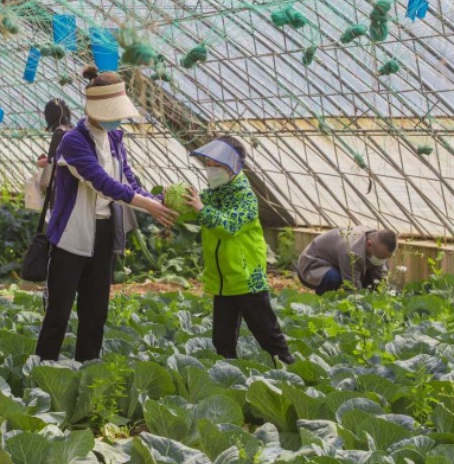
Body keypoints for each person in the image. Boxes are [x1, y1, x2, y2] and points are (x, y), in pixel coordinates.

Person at [34, 68, 177, 362]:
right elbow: (102, 182)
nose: (118, 119)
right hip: (71, 237)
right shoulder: (73, 141)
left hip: (103, 234)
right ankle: (42, 369)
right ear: (94, 110)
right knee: (58, 312)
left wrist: (158, 202)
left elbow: (128, 181)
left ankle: (88, 370)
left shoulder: (114, 139)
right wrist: (146, 204)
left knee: (95, 311)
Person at [183, 137, 294, 365]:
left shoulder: (245, 197)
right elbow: (188, 211)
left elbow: (228, 227)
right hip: (223, 280)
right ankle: (228, 375)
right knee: (222, 338)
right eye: (208, 164)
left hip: (246, 278)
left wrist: (202, 210)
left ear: (233, 165)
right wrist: (169, 199)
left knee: (266, 332)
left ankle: (288, 369)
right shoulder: (212, 193)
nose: (211, 170)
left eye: (217, 165)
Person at [296, 226, 397, 295]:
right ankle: (322, 304)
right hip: (314, 264)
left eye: (385, 257)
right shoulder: (351, 250)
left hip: (338, 263)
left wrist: (382, 294)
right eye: (380, 257)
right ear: (369, 244)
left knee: (381, 267)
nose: (381, 261)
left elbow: (379, 277)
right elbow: (352, 288)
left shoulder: (374, 239)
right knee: (333, 278)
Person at [37, 98, 73, 200]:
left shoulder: (59, 133)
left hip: (61, 188)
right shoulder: (72, 131)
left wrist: (41, 162)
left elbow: (53, 163)